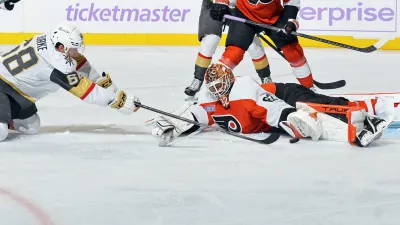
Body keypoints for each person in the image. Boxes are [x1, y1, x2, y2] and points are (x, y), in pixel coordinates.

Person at [150, 63, 392, 147]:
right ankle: (357, 126)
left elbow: (275, 109)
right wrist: (173, 122)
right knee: (305, 121)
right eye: (213, 88)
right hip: (269, 114)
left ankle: (366, 112)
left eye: (220, 85)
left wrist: (290, 119)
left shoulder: (244, 90)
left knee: (311, 111)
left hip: (285, 95)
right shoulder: (208, 98)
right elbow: (197, 115)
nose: (217, 91)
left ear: (229, 80)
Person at [0, 23, 140, 141]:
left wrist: (98, 80)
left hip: (16, 91)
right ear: (61, 48)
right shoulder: (54, 66)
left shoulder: (50, 40)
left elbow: (77, 62)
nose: (77, 51)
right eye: (74, 48)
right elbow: (85, 91)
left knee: (31, 127)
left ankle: (7, 115)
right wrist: (115, 101)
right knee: (1, 131)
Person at [209, 0, 316, 89]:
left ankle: (309, 89)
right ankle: (213, 89)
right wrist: (221, 3)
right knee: (233, 53)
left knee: (293, 51)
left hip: (274, 16)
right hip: (244, 15)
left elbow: (291, 2)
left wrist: (291, 20)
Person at [185, 0, 272, 99]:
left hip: (241, 8)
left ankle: (266, 79)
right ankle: (198, 79)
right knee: (210, 40)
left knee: (252, 43)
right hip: (214, 5)